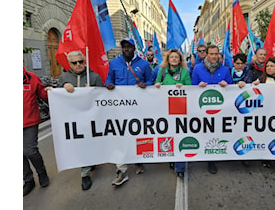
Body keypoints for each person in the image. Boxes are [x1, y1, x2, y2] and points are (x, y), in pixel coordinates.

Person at [52, 51, 103, 190]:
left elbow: (103, 97)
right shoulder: (65, 78)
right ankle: (85, 174)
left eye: (80, 61)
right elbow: (56, 96)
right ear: (70, 64)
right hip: (74, 120)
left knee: (92, 144)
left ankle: (91, 161)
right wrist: (61, 88)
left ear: (84, 60)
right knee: (81, 145)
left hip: (92, 118)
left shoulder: (94, 76)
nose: (78, 64)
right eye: (75, 62)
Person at [105, 38, 153, 186]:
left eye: (129, 47)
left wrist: (146, 85)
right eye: (124, 47)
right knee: (120, 136)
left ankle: (139, 160)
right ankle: (121, 170)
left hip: (138, 108)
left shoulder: (144, 64)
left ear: (134, 48)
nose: (126, 49)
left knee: (138, 135)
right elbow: (108, 80)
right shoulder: (114, 63)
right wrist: (108, 85)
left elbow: (151, 80)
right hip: (119, 107)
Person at [192, 44, 233, 174]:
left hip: (220, 108)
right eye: (212, 54)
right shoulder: (197, 69)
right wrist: (198, 86)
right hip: (203, 107)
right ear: (207, 55)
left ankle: (215, 157)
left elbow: (232, 88)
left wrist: (227, 85)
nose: (214, 57)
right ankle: (209, 158)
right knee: (205, 132)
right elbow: (192, 88)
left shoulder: (225, 70)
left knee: (218, 133)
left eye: (216, 54)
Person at [154, 49, 192, 178]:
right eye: (172, 57)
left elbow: (191, 89)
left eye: (177, 57)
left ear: (180, 59)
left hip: (180, 108)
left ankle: (180, 167)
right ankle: (171, 157)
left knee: (180, 135)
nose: (174, 59)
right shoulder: (162, 71)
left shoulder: (185, 72)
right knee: (169, 135)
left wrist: (184, 87)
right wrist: (158, 85)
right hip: (165, 108)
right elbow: (156, 83)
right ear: (168, 59)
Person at [23, 67, 49, 196]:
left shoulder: (32, 78)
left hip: (29, 121)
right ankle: (28, 180)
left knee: (30, 150)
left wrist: (50, 92)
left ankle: (41, 173)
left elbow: (43, 94)